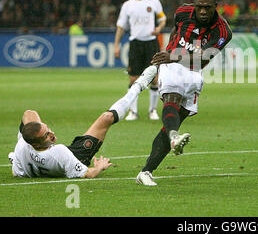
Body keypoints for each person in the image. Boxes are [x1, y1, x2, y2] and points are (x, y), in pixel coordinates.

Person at [135, 0, 232, 186]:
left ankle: (146, 171)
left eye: (207, 8)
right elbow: (175, 30)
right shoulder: (182, 12)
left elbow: (202, 60)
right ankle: (173, 138)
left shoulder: (223, 31)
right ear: (194, 5)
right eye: (199, 7)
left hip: (193, 69)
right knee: (171, 99)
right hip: (171, 65)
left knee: (174, 121)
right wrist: (168, 54)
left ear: (216, 7)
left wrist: (172, 55)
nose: (203, 11)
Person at [9, 65, 158, 179]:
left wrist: (19, 157)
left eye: (48, 130)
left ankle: (37, 137)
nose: (52, 135)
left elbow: (16, 172)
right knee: (107, 118)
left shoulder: (22, 146)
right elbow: (89, 174)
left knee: (30, 113)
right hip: (73, 157)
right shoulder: (59, 152)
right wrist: (99, 167)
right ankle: (139, 85)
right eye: (47, 136)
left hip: (36, 160)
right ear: (35, 144)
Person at [114, 0, 167, 121]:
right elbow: (121, 26)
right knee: (133, 78)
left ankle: (153, 110)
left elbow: (162, 18)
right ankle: (133, 111)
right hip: (135, 44)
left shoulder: (153, 2)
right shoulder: (127, 5)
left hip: (151, 43)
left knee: (155, 78)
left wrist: (159, 28)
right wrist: (116, 45)